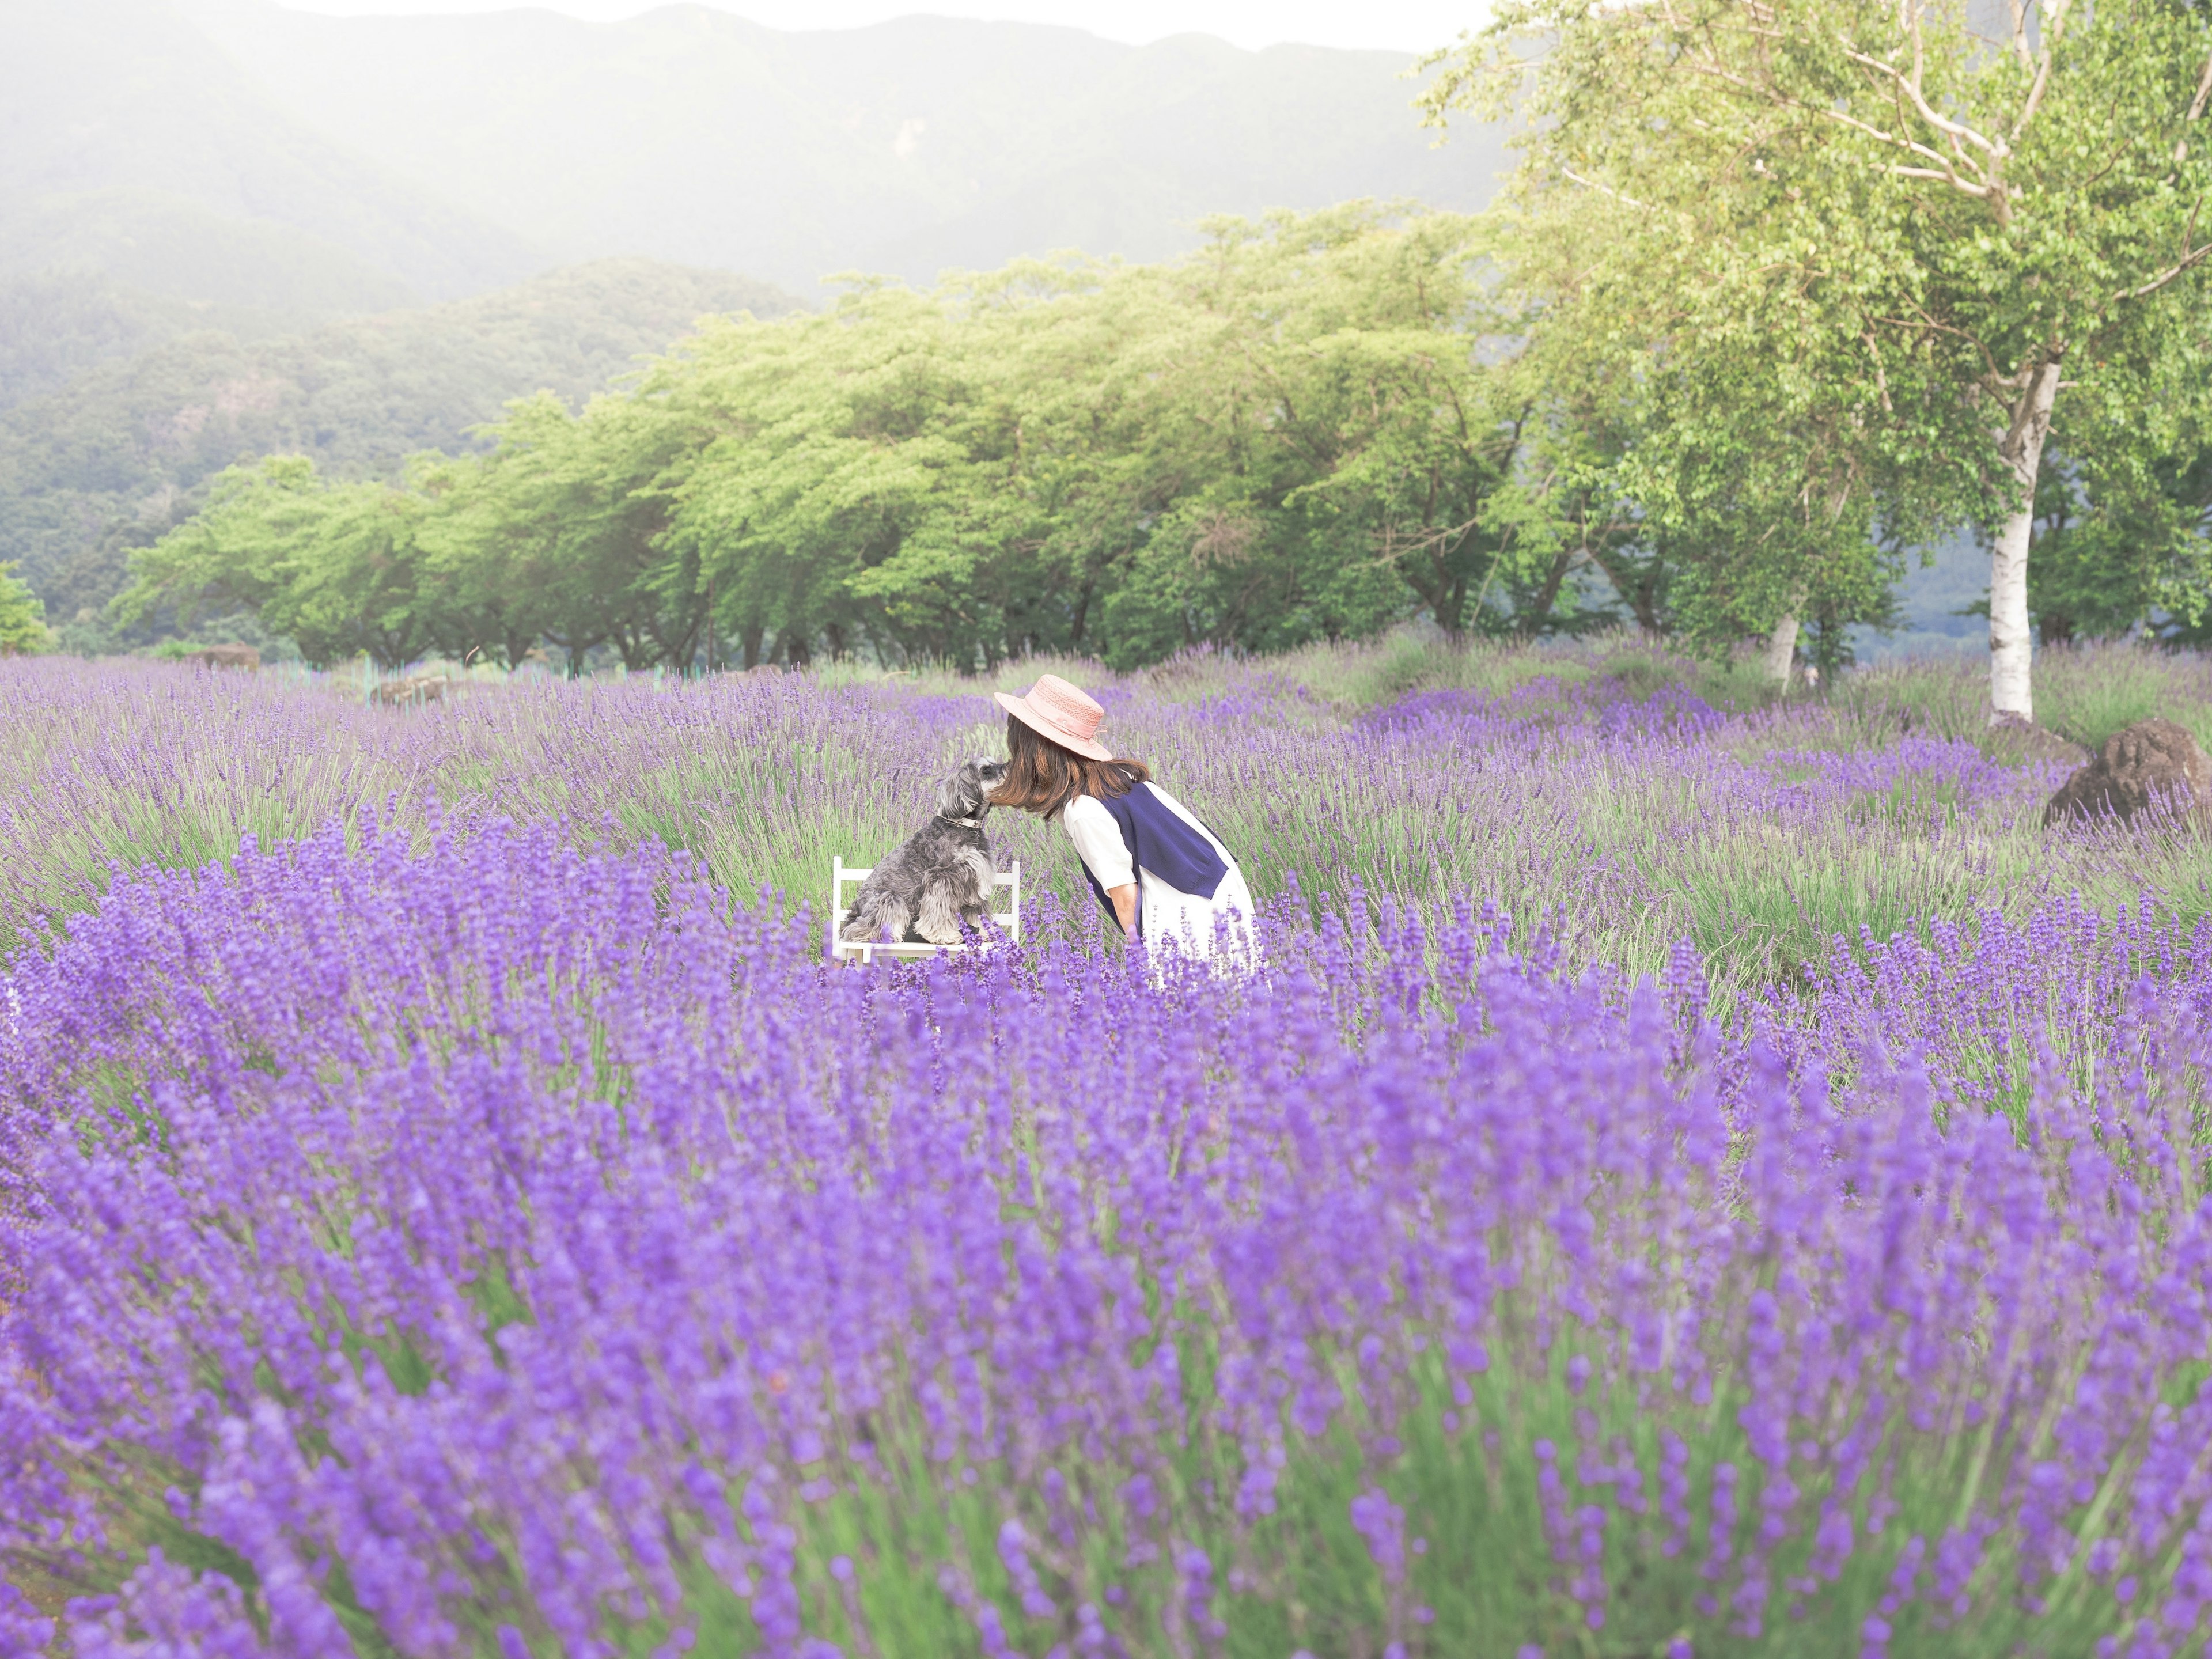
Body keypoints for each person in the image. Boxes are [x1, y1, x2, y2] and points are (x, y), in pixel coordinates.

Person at [988, 673, 1255, 961]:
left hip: (1192, 916)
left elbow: (1125, 896)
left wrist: (1138, 960)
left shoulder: (1085, 810)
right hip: (1222, 890)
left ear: (1032, 746)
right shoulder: (1120, 778)